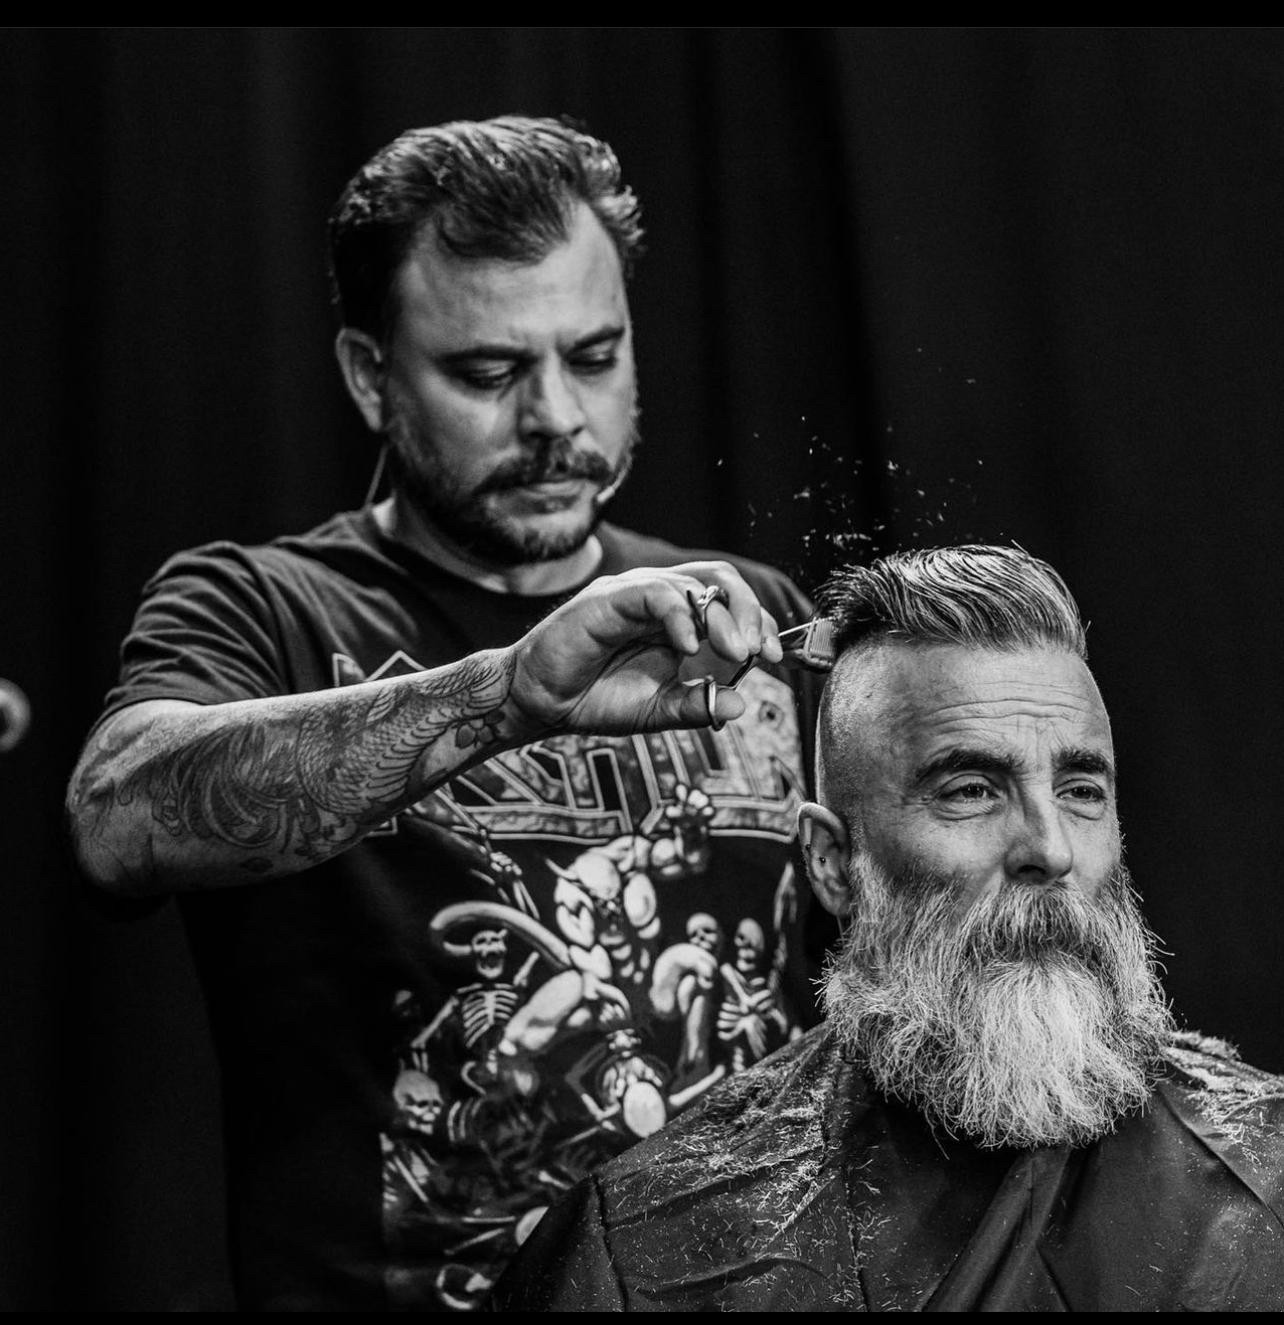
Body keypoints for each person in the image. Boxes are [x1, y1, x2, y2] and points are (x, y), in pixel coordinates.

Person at [65, 117, 826, 1311]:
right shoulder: (258, 606)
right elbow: (117, 817)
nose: (559, 421)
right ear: (371, 375)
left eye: (595, 355)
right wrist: (505, 692)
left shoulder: (744, 615)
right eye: (488, 373)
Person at [488, 544, 1284, 1313]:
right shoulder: (641, 1249)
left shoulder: (1265, 1169)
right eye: (971, 789)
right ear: (834, 862)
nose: (1050, 847)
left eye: (1081, 788)